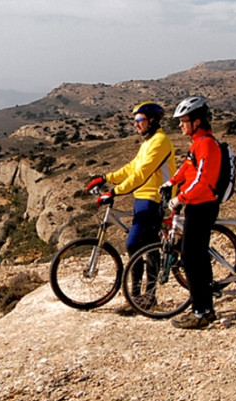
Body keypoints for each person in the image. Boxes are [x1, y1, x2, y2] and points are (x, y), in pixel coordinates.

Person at [87, 102, 176, 305]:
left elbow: (142, 174)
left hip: (155, 197)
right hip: (143, 196)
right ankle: (140, 294)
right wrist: (105, 177)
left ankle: (145, 295)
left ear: (152, 120)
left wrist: (114, 192)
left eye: (139, 120)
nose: (136, 124)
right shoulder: (148, 142)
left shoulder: (160, 141)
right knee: (146, 243)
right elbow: (131, 169)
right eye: (134, 121)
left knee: (135, 243)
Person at [164, 95, 223, 329]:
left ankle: (202, 312)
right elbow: (187, 170)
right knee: (196, 257)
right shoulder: (197, 143)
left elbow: (203, 180)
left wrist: (180, 197)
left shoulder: (207, 143)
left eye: (183, 120)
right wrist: (172, 183)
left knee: (191, 258)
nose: (179, 125)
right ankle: (205, 309)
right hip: (197, 205)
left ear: (197, 121)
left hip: (203, 206)